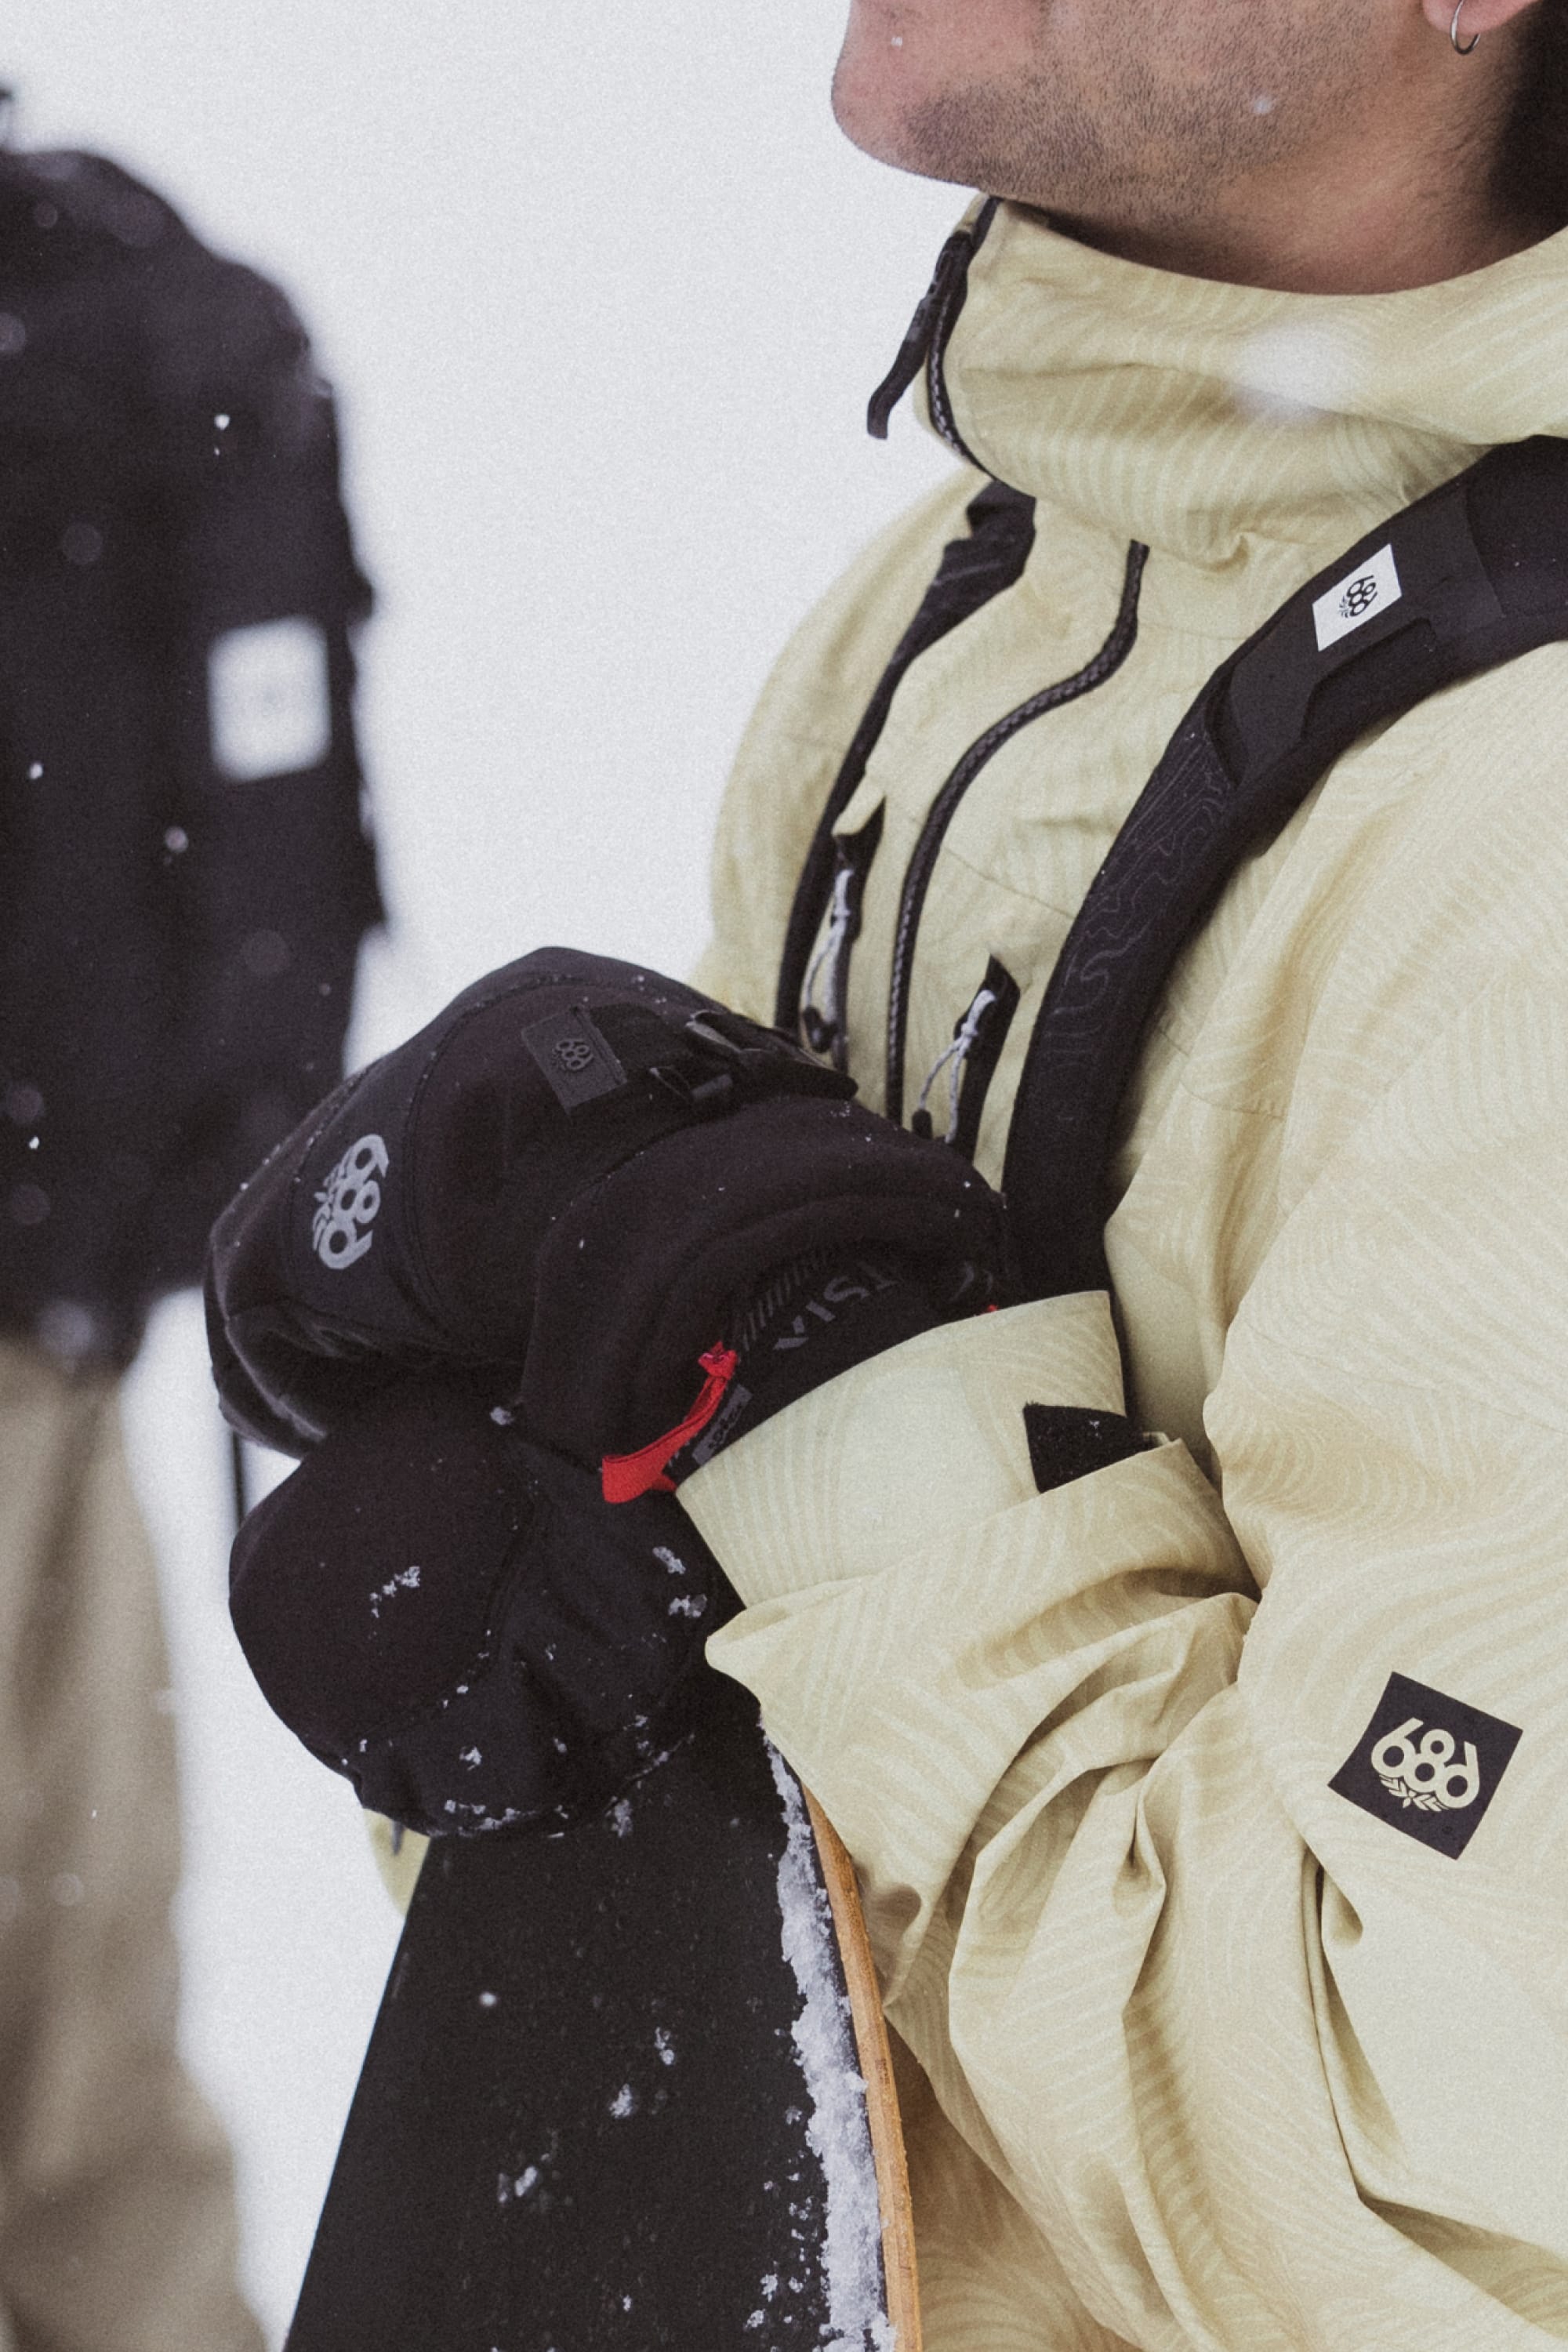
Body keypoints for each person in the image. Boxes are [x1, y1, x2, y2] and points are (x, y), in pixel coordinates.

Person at [209, 0, 1568, 2343]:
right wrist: (581, 1599)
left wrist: (860, 1433)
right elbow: (850, 1948)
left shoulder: (1523, 827)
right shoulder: (963, 595)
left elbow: (1433, 2185)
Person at [0, 136, 379, 2350]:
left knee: (82, 1987)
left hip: (63, 1307)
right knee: (83, 2004)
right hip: (76, 1277)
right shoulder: (139, 314)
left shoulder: (115, 324)